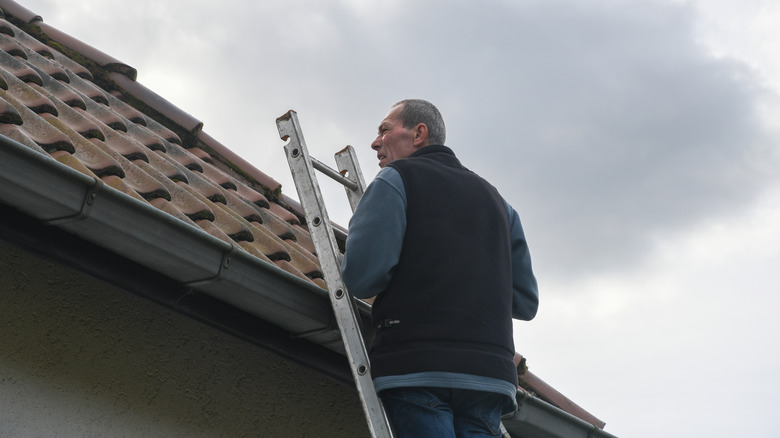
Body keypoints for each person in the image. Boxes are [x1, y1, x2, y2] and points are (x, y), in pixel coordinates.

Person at [341, 99, 539, 438]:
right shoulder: (499, 203)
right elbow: (524, 302)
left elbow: (361, 278)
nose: (375, 142)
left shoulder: (395, 180)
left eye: (385, 130)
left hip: (418, 368)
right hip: (490, 376)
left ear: (419, 133)